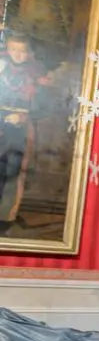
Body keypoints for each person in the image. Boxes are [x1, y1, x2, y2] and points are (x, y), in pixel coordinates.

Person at [0, 33, 41, 222]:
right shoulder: (2, 67)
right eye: (13, 50)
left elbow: (39, 106)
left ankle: (6, 216)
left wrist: (22, 116)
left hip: (20, 130)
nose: (18, 55)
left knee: (13, 171)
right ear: (7, 50)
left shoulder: (32, 75)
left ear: (29, 53)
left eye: (22, 51)